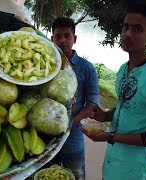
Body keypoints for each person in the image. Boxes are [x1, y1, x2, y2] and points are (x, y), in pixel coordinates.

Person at [82, 3, 146, 180]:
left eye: (137, 29)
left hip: (136, 171)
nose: (127, 34)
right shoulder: (123, 70)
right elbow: (127, 106)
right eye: (125, 27)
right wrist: (106, 116)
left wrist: (110, 137)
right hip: (111, 164)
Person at [50, 17, 100, 180]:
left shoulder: (86, 68)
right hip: (47, 139)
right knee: (47, 175)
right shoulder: (47, 64)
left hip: (73, 140)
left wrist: (70, 123)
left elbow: (92, 104)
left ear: (75, 39)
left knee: (77, 176)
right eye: (58, 36)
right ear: (52, 39)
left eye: (67, 36)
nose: (63, 40)